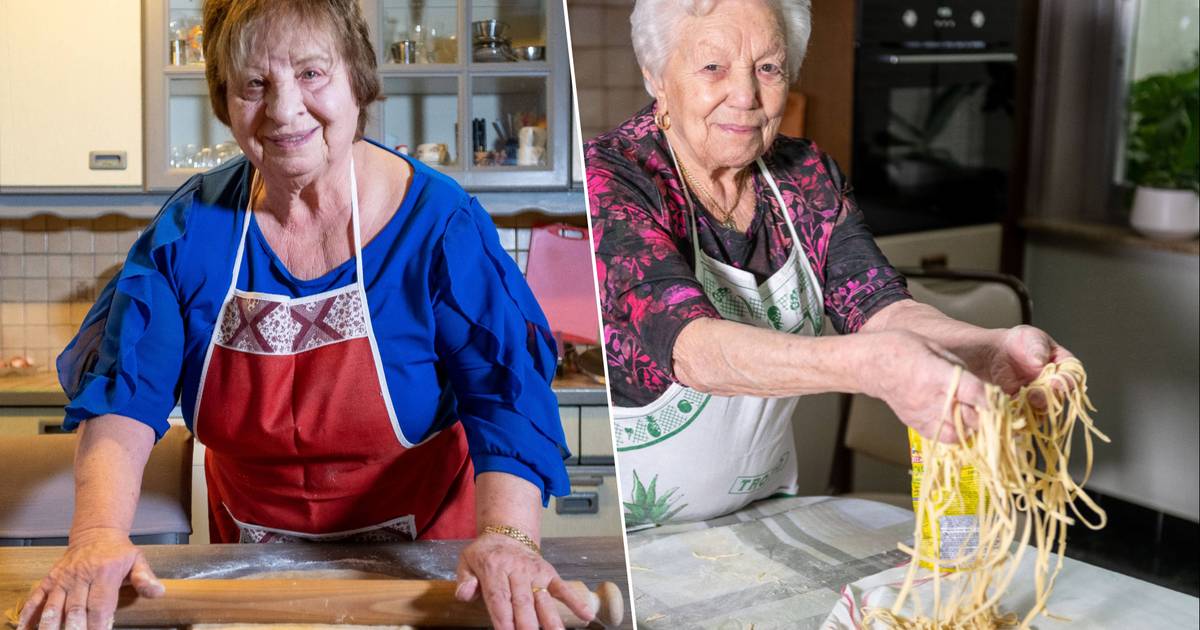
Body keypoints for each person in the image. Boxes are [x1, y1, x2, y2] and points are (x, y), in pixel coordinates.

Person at [17, 2, 593, 629]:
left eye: (312, 74)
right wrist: (97, 533)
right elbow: (126, 396)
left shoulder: (439, 226)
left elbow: (504, 397)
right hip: (251, 576)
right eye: (254, 84)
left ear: (357, 82)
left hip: (432, 575)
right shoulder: (190, 232)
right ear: (224, 99)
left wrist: (510, 537)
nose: (284, 110)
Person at [587, 0, 1074, 528]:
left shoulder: (804, 174)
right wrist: (874, 366)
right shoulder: (611, 178)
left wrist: (989, 348)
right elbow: (694, 351)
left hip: (764, 514)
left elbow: (879, 305)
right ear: (656, 76)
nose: (747, 96)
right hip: (633, 536)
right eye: (713, 67)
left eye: (768, 68)